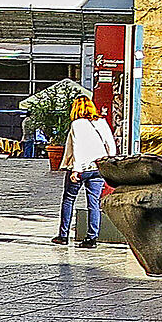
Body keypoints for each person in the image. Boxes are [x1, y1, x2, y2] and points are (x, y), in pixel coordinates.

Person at [52, 98, 115, 249]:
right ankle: (92, 238)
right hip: (98, 168)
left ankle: (63, 235)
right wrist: (108, 164)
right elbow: (110, 145)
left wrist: (76, 169)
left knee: (69, 199)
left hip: (81, 168)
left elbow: (77, 147)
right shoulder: (101, 122)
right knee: (93, 202)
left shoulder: (77, 124)